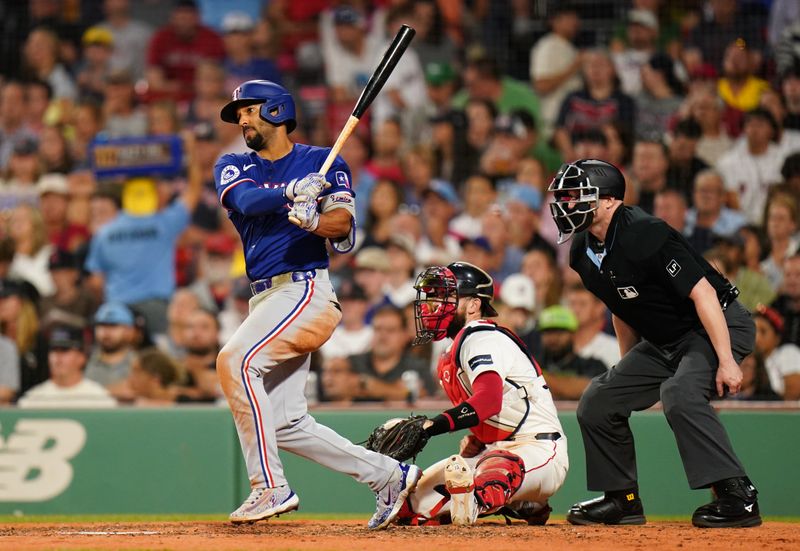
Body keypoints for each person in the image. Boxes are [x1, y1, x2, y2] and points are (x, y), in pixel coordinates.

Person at [214, 79, 420, 528]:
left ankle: (269, 485)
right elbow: (246, 201)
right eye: (239, 114)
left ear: (276, 111)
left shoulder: (322, 162)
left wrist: (313, 220)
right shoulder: (234, 164)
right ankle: (390, 476)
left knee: (234, 362)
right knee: (285, 423)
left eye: (249, 110)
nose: (242, 120)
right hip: (266, 299)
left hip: (304, 290)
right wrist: (290, 193)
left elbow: (343, 227)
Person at [548, 158, 761, 528]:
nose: (567, 205)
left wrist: (726, 360)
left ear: (611, 201)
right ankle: (622, 499)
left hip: (718, 324)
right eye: (565, 197)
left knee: (681, 393)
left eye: (579, 196)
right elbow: (622, 308)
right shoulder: (581, 250)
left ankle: (738, 495)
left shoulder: (647, 233)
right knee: (600, 398)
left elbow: (705, 294)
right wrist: (627, 369)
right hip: (666, 338)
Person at [394, 262, 567, 526]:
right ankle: (522, 503)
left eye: (444, 296)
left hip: (538, 448)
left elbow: (488, 401)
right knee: (409, 505)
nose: (433, 304)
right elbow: (500, 407)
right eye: (432, 296)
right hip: (494, 450)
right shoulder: (456, 348)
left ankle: (524, 501)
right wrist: (480, 437)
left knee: (495, 472)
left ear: (473, 305)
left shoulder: (480, 336)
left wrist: (432, 426)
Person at [17, 324, 117, 409]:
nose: (57, 358)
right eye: (54, 350)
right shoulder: (33, 400)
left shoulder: (100, 399)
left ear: (82, 357)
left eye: (64, 351)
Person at [536, 305, 607, 400]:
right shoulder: (533, 363)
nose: (553, 338)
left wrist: (536, 379)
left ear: (574, 334)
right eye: (548, 332)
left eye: (559, 332)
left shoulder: (592, 365)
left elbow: (589, 389)